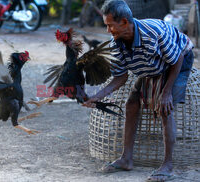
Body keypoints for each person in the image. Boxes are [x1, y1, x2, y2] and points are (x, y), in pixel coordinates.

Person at [82, 0, 194, 181]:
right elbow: (121, 76)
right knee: (131, 103)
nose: (108, 30)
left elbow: (177, 58)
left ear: (125, 22)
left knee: (165, 107)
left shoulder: (154, 33)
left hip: (178, 60)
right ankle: (126, 159)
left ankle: (168, 166)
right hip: (152, 65)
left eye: (110, 25)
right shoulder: (116, 43)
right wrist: (97, 97)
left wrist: (166, 93)